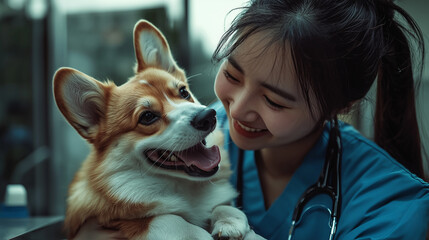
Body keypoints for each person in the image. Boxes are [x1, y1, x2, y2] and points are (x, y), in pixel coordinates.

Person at [74, 0, 429, 239]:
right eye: (232, 73)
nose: (235, 110)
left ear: (339, 105)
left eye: (274, 100)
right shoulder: (201, 138)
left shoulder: (392, 208)